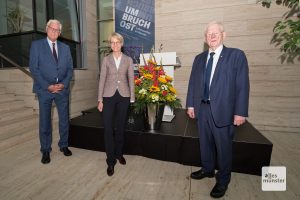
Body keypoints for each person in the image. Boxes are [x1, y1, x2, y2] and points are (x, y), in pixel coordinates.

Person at [186, 21, 249, 198]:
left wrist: (240, 112)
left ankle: (223, 180)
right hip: (202, 109)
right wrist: (191, 104)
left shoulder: (236, 56)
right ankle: (207, 169)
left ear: (223, 35)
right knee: (204, 143)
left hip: (224, 110)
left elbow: (242, 86)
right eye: (209, 34)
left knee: (223, 148)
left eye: (216, 33)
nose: (212, 36)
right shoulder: (199, 58)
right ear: (205, 38)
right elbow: (193, 83)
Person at [29, 19, 73, 164]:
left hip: (62, 90)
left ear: (60, 33)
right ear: (46, 29)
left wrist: (64, 84)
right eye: (51, 29)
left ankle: (64, 145)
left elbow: (70, 70)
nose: (54, 31)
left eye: (57, 30)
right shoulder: (36, 46)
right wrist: (47, 86)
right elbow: (34, 69)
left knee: (64, 119)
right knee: (45, 121)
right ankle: (46, 150)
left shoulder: (65, 48)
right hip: (44, 90)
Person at [97, 32, 135, 176]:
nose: (115, 45)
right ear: (110, 44)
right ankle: (110, 161)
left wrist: (132, 98)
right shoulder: (106, 59)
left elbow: (131, 78)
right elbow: (102, 79)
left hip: (124, 96)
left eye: (117, 42)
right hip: (108, 96)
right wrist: (100, 99)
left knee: (120, 128)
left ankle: (119, 154)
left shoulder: (128, 60)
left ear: (122, 43)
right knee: (108, 129)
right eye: (112, 42)